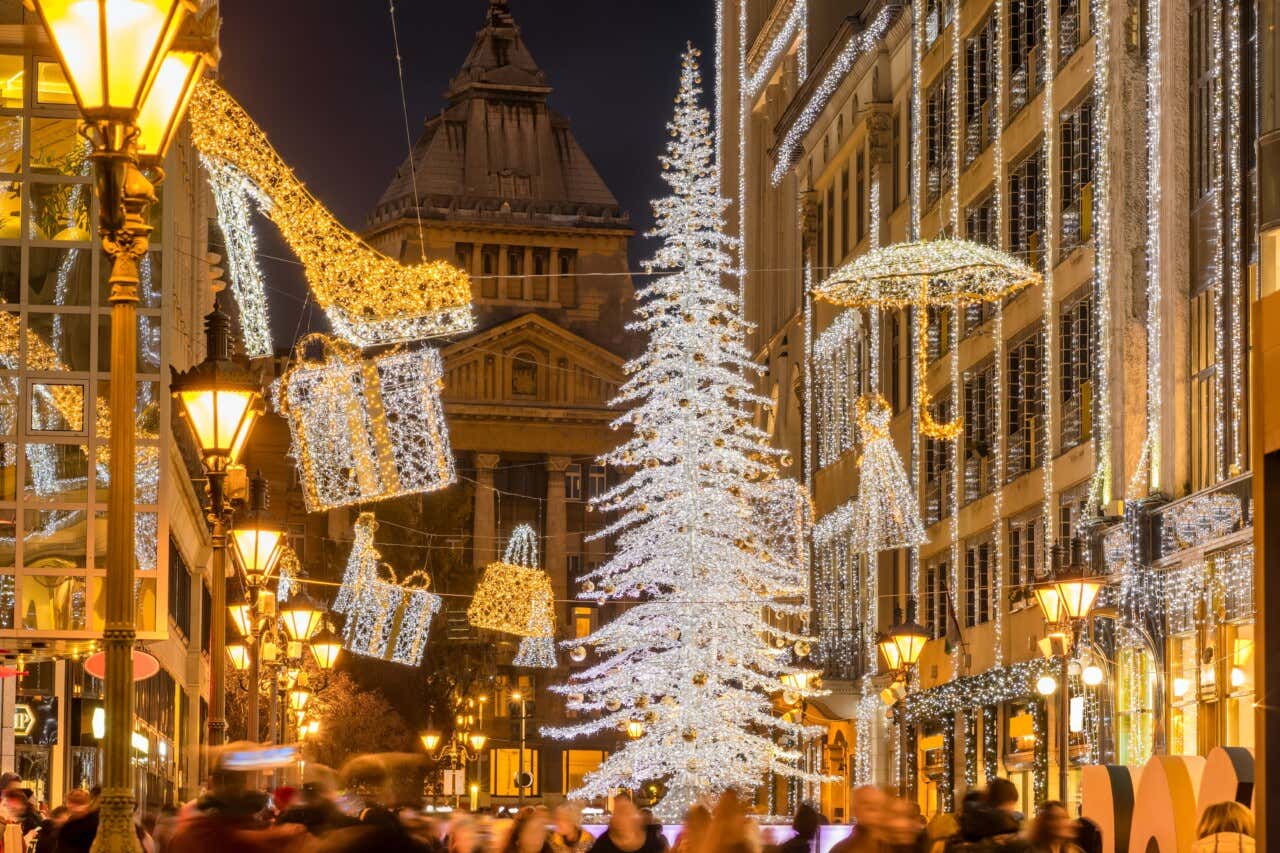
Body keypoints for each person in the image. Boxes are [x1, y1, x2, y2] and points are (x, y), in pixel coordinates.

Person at [588, 796, 665, 853]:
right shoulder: (603, 844)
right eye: (617, 813)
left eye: (625, 813)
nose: (619, 818)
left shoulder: (652, 839)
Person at [829, 786, 886, 853]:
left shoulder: (894, 846)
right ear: (854, 810)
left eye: (877, 803)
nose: (873, 808)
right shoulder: (842, 849)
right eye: (866, 803)